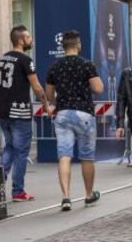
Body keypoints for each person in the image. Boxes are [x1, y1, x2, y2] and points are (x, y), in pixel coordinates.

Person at [0, 25, 51, 202]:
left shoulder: (2, 59)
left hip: (3, 111)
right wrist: (46, 104)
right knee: (21, 152)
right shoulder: (25, 60)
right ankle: (18, 191)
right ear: (21, 40)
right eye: (28, 37)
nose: (31, 40)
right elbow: (36, 86)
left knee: (10, 147)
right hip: (20, 112)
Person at [45, 30, 104, 211]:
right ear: (78, 45)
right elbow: (99, 89)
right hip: (84, 114)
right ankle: (88, 195)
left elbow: (49, 95)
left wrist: (60, 102)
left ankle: (66, 198)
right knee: (87, 157)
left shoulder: (54, 67)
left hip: (63, 114)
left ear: (62, 47)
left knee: (64, 155)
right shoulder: (87, 65)